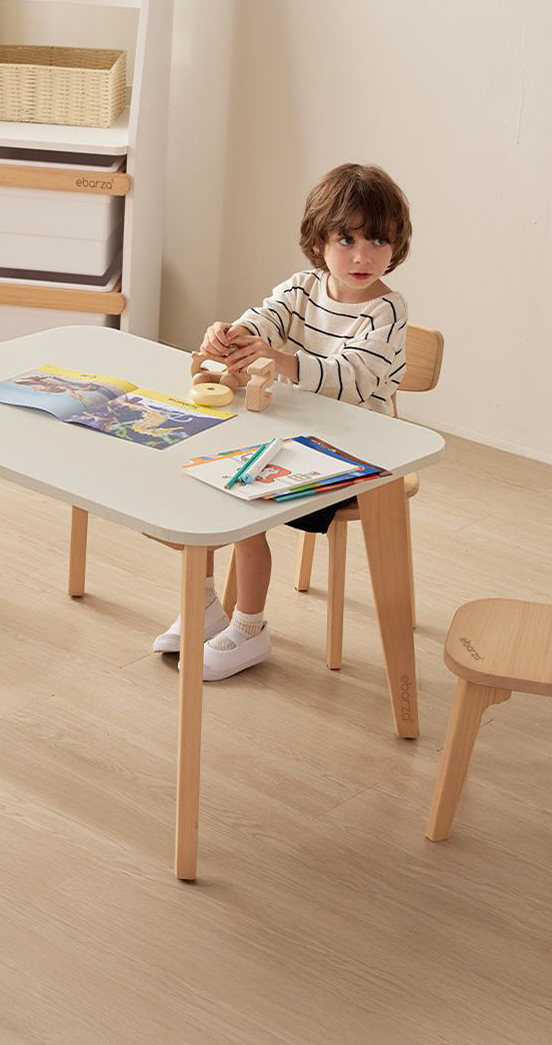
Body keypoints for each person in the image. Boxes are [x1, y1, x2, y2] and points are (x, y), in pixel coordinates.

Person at [154, 162, 413, 679]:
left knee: (244, 502)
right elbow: (262, 319)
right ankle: (204, 606)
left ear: (397, 245)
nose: (363, 255)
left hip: (356, 454)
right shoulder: (301, 288)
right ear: (319, 241)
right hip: (290, 436)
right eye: (347, 239)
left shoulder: (386, 312)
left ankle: (250, 629)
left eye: (379, 240)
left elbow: (352, 379)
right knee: (204, 480)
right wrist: (230, 335)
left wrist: (279, 358)